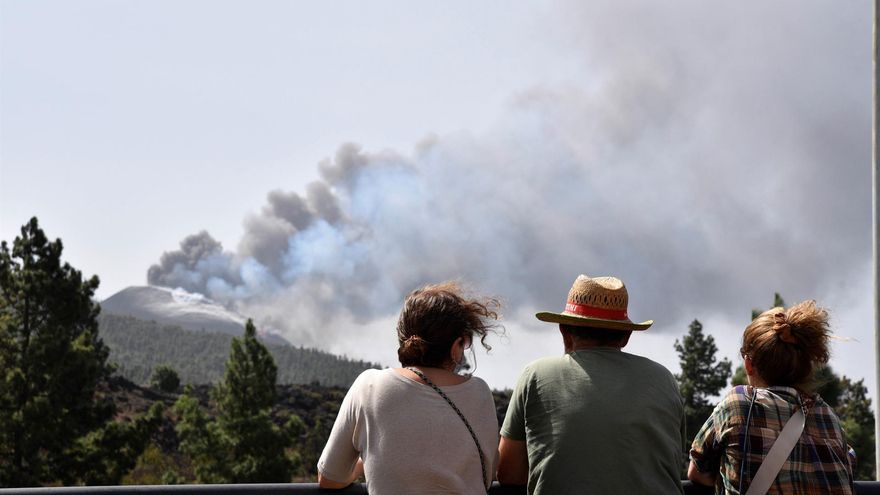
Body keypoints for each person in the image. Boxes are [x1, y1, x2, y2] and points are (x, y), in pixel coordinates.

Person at [497, 274, 686, 494]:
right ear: (626, 336)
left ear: (564, 331)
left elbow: (509, 472)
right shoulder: (663, 378)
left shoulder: (535, 375)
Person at [317, 282, 501, 494]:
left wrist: (364, 463)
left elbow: (329, 478)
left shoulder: (369, 385)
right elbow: (485, 477)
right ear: (455, 346)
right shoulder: (479, 393)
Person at [688, 300, 855, 494]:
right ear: (806, 365)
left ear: (749, 364)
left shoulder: (739, 403)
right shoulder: (828, 416)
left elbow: (698, 471)